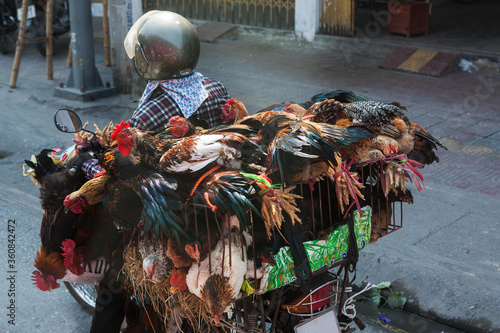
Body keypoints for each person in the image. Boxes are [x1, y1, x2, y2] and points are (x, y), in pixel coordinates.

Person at [89, 11, 231, 333]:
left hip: (173, 209)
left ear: (148, 60)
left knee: (114, 278)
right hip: (212, 194)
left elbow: (126, 156)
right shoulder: (213, 86)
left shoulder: (154, 105)